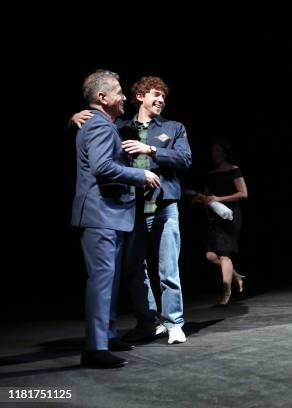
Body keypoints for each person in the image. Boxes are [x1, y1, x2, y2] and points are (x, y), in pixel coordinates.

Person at [71, 76, 192, 344]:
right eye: (155, 94)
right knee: (134, 270)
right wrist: (73, 118)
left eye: (163, 96)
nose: (161, 100)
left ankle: (174, 323)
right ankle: (148, 322)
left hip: (163, 206)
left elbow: (185, 159)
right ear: (140, 96)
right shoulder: (121, 126)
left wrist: (150, 150)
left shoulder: (173, 128)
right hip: (131, 209)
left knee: (168, 269)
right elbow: (93, 135)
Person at [71, 70, 160, 368]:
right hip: (100, 215)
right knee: (101, 281)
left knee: (109, 281)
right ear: (102, 97)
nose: (123, 97)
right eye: (119, 92)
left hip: (110, 215)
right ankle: (95, 348)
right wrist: (141, 175)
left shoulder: (101, 123)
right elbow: (102, 167)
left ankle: (107, 336)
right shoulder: (97, 125)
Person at [187, 139, 247, 305]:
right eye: (213, 151)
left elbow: (243, 193)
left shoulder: (234, 170)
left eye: (218, 151)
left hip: (230, 216)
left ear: (225, 153)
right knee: (210, 255)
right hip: (215, 217)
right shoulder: (211, 173)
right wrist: (200, 200)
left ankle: (227, 292)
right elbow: (208, 196)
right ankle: (236, 276)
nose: (215, 154)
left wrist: (221, 198)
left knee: (224, 254)